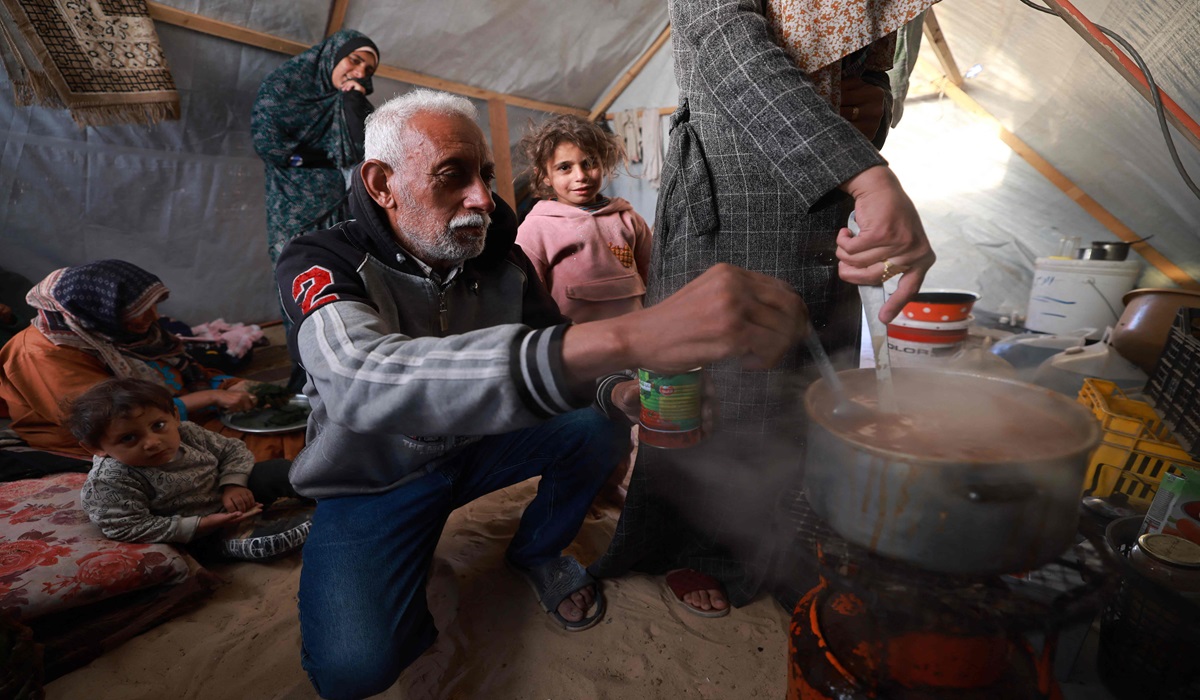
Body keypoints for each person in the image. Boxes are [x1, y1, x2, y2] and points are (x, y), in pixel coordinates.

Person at [274, 88, 808, 699]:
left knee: (598, 419)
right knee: (353, 671)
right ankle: (385, 563)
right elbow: (360, 379)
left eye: (485, 175)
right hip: (375, 479)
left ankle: (537, 551)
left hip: (478, 448)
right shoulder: (323, 259)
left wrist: (620, 391)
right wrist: (629, 333)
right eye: (453, 176)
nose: (481, 198)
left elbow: (550, 339)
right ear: (380, 183)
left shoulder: (501, 257)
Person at [589, 0, 939, 619]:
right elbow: (726, 44)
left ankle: (784, 541)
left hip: (825, 182)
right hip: (739, 189)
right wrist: (868, 175)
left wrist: (873, 105)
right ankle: (699, 546)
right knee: (726, 381)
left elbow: (877, 55)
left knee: (813, 378)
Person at [0, 260, 303, 469]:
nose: (154, 318)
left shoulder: (117, 329)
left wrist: (225, 384)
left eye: (153, 307)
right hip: (125, 434)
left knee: (286, 411)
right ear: (98, 312)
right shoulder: (39, 354)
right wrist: (211, 398)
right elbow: (105, 421)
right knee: (272, 448)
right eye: (139, 312)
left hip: (163, 409)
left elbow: (180, 371)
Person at [516, 114, 653, 505]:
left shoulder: (627, 218)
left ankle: (608, 489)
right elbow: (529, 293)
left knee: (627, 428)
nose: (580, 175)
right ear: (545, 175)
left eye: (589, 162)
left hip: (633, 345)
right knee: (592, 428)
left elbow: (651, 273)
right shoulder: (537, 227)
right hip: (578, 350)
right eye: (565, 167)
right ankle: (579, 493)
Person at [72, 377, 299, 546]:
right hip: (193, 530)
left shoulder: (188, 433)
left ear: (175, 416)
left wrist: (233, 484)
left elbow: (233, 450)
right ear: (97, 448)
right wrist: (203, 525)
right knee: (217, 546)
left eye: (158, 426)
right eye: (128, 438)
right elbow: (125, 526)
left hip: (231, 497)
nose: (152, 443)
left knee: (280, 470)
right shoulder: (111, 479)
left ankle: (327, 495)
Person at [251, 29, 380, 315]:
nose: (358, 72)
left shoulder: (349, 101)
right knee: (305, 288)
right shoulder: (285, 87)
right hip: (297, 211)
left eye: (367, 69)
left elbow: (368, 148)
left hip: (347, 210)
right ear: (332, 57)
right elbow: (268, 144)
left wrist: (353, 102)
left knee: (352, 283)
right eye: (354, 60)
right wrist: (327, 159)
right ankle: (305, 357)